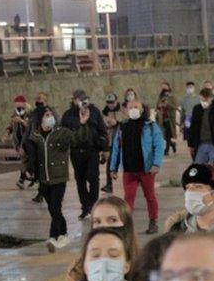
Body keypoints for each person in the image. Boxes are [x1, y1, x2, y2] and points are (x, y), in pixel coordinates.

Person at [23, 105, 93, 252]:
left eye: (51, 114)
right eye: (46, 115)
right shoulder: (35, 137)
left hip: (58, 177)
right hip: (43, 179)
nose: (50, 117)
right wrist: (28, 171)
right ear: (39, 119)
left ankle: (58, 235)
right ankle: (58, 235)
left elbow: (78, 139)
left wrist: (83, 123)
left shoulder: (62, 133)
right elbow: (29, 157)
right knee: (52, 208)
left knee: (55, 207)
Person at [109, 97, 164, 235]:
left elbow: (159, 145)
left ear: (142, 109)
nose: (133, 109)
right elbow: (116, 148)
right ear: (127, 110)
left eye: (136, 107)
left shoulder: (151, 126)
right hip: (129, 170)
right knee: (128, 198)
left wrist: (156, 163)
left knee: (150, 196)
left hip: (147, 170)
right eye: (130, 107)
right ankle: (126, 226)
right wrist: (113, 168)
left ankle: (153, 222)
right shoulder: (122, 126)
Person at [67, 196, 139, 281]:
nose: (104, 226)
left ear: (126, 225)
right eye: (97, 221)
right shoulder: (77, 270)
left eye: (112, 220)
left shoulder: (144, 267)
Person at [61, 90, 108, 220]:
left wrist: (105, 149)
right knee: (80, 180)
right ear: (74, 100)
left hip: (92, 150)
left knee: (93, 179)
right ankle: (85, 206)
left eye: (85, 98)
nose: (83, 101)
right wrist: (81, 122)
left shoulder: (94, 111)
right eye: (80, 99)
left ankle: (93, 206)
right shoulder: (68, 114)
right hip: (76, 151)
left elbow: (102, 129)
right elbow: (64, 132)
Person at [188, 87, 214, 164]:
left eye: (205, 100)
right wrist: (190, 144)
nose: (203, 102)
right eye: (201, 100)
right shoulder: (196, 109)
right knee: (198, 168)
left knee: (213, 168)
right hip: (200, 145)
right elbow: (193, 128)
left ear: (211, 98)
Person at [6, 94, 30, 189]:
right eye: (15, 103)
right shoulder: (14, 114)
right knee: (24, 160)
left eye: (18, 103)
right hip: (18, 142)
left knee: (25, 160)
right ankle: (25, 177)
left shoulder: (29, 113)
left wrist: (20, 120)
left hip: (28, 141)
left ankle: (22, 179)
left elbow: (30, 126)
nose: (16, 105)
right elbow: (11, 126)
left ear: (23, 103)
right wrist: (6, 133)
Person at [101, 93, 123, 194]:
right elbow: (103, 126)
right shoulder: (104, 113)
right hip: (110, 141)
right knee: (110, 163)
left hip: (122, 141)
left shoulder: (122, 110)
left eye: (112, 102)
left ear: (116, 101)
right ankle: (109, 184)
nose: (110, 104)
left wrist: (117, 122)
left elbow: (126, 120)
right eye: (108, 102)